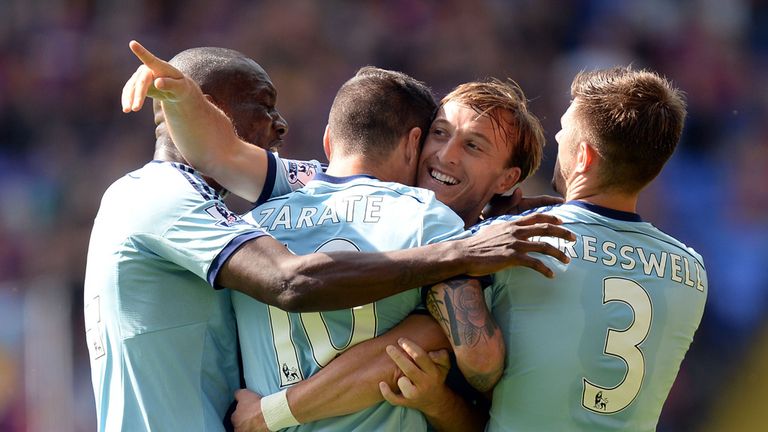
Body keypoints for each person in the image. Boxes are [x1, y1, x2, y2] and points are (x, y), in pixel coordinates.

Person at [95, 41, 572, 432]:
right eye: (438, 134)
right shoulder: (434, 229)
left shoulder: (259, 215)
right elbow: (292, 281)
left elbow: (222, 152)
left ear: (328, 141)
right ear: (413, 142)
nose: (444, 155)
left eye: (472, 145)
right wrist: (462, 253)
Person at [391, 66, 708, 431]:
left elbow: (479, 363)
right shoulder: (692, 271)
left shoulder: (514, 240)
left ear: (584, 158)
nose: (556, 140)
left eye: (562, 133)